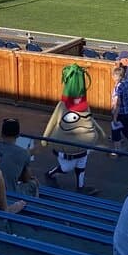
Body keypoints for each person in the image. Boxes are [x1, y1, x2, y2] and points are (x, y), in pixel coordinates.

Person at [42, 63, 106, 194]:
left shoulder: (84, 106)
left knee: (82, 165)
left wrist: (100, 130)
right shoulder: (62, 106)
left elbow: (90, 118)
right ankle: (50, 174)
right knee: (66, 168)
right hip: (66, 148)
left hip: (83, 147)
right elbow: (53, 120)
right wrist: (45, 137)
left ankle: (80, 187)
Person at [0, 118, 39, 198]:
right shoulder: (24, 153)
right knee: (34, 183)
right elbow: (26, 179)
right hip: (10, 195)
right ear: (17, 135)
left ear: (2, 134)